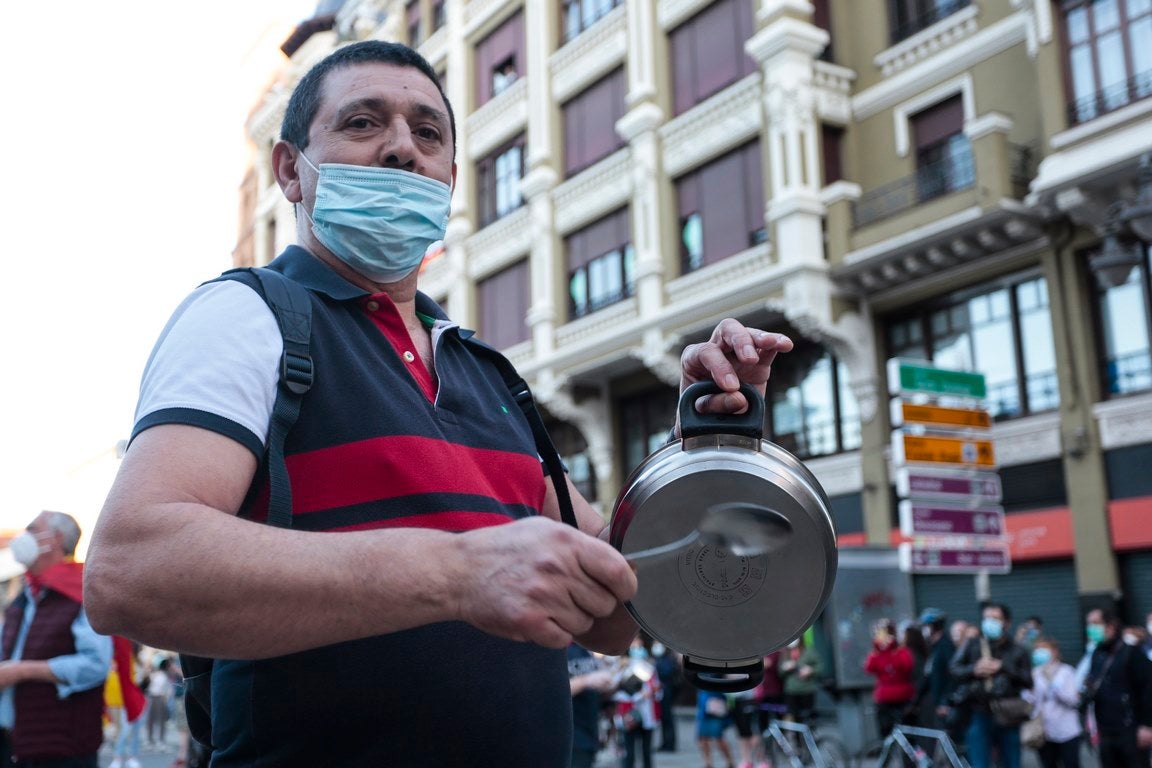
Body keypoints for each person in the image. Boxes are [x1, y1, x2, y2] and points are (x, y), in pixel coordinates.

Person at [81, 39, 795, 767]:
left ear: (450, 177)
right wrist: (456, 575)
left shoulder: (487, 370)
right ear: (291, 170)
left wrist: (709, 450)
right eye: (363, 122)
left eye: (428, 133)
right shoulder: (249, 315)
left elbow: (616, 614)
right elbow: (128, 573)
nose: (401, 149)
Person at [0, 511, 112, 768]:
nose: (22, 538)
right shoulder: (22, 598)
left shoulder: (82, 594)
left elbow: (95, 665)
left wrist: (22, 671)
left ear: (56, 538)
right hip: (15, 746)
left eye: (31, 530)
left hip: (62, 749)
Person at [949, 601, 1032, 768]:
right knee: (979, 763)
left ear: (1006, 623)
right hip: (979, 713)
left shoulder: (1018, 649)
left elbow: (1028, 681)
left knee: (1012, 762)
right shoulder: (973, 644)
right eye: (986, 618)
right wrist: (975, 669)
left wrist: (1003, 667)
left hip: (1009, 715)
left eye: (995, 618)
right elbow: (953, 669)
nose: (990, 622)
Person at [1080, 608, 1152, 768]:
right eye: (1089, 624)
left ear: (1111, 626)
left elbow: (1147, 691)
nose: (1091, 628)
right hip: (1105, 730)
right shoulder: (1096, 654)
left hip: (1131, 729)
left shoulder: (1132, 653)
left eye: (1095, 623)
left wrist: (1146, 726)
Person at [1023, 637, 1082, 768]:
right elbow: (1029, 700)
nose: (1039, 652)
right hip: (1044, 732)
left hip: (1067, 731)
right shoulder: (1034, 673)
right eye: (1037, 649)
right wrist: (1029, 693)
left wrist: (1055, 689)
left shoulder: (1067, 671)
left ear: (1054, 651)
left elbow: (1073, 700)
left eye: (1043, 648)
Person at [614, 637, 661, 768]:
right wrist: (637, 696)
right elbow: (616, 692)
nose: (637, 648)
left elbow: (657, 692)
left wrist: (652, 692)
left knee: (647, 751)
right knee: (629, 751)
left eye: (639, 645)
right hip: (629, 715)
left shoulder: (650, 668)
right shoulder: (622, 667)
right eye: (634, 645)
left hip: (647, 715)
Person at [864, 619, 916, 738]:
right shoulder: (877, 653)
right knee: (885, 732)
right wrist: (878, 649)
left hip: (903, 697)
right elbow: (869, 668)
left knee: (907, 733)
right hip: (884, 698)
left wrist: (892, 647)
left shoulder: (900, 651)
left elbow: (906, 666)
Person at [568, 642, 614, 768]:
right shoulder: (557, 648)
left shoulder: (587, 650)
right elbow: (553, 692)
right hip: (571, 736)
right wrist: (586, 681)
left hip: (590, 732)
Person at [107, 638, 148, 768]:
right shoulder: (120, 659)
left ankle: (132, 757)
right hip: (123, 700)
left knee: (134, 730)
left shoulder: (136, 661)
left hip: (137, 700)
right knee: (124, 730)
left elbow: (143, 682)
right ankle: (118, 758)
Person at [916, 607, 957, 735]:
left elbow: (953, 675)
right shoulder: (935, 648)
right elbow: (929, 676)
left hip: (945, 706)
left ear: (933, 627)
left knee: (951, 745)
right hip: (938, 703)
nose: (924, 630)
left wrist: (946, 701)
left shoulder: (945, 646)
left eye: (926, 626)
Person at [779, 635, 824, 726]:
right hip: (791, 691)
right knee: (796, 719)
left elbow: (820, 667)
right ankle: (798, 738)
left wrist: (810, 670)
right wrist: (785, 668)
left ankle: (810, 738)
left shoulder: (809, 650)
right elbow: (780, 672)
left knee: (809, 718)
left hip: (807, 690)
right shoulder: (786, 653)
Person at [653, 641, 682, 752]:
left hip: (667, 692)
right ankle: (665, 743)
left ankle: (670, 744)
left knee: (668, 719)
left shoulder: (667, 659)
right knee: (664, 719)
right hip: (662, 693)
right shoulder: (659, 658)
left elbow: (666, 672)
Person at [697, 690, 736, 768]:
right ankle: (708, 763)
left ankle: (730, 761)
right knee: (702, 738)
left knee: (719, 738)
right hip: (704, 704)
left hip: (716, 704)